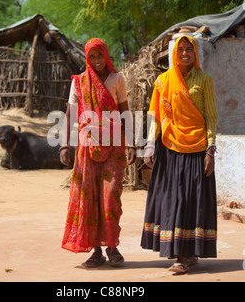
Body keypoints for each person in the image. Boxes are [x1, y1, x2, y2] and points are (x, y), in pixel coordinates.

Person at [140, 34, 218, 274]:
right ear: (175, 54)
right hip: (170, 148)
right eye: (181, 49)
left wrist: (211, 150)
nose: (185, 53)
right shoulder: (163, 81)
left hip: (197, 149)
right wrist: (150, 144)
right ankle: (181, 253)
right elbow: (155, 115)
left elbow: (211, 117)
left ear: (195, 53)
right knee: (173, 199)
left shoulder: (205, 80)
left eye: (189, 49)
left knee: (193, 201)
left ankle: (186, 255)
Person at [60, 38, 136, 268]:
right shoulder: (80, 82)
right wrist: (65, 144)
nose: (97, 60)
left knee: (110, 196)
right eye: (92, 56)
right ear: (87, 58)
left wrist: (132, 143)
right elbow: (70, 115)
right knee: (89, 198)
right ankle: (96, 251)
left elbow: (125, 113)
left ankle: (112, 246)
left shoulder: (117, 79)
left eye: (100, 55)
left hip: (113, 146)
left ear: (106, 55)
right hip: (87, 148)